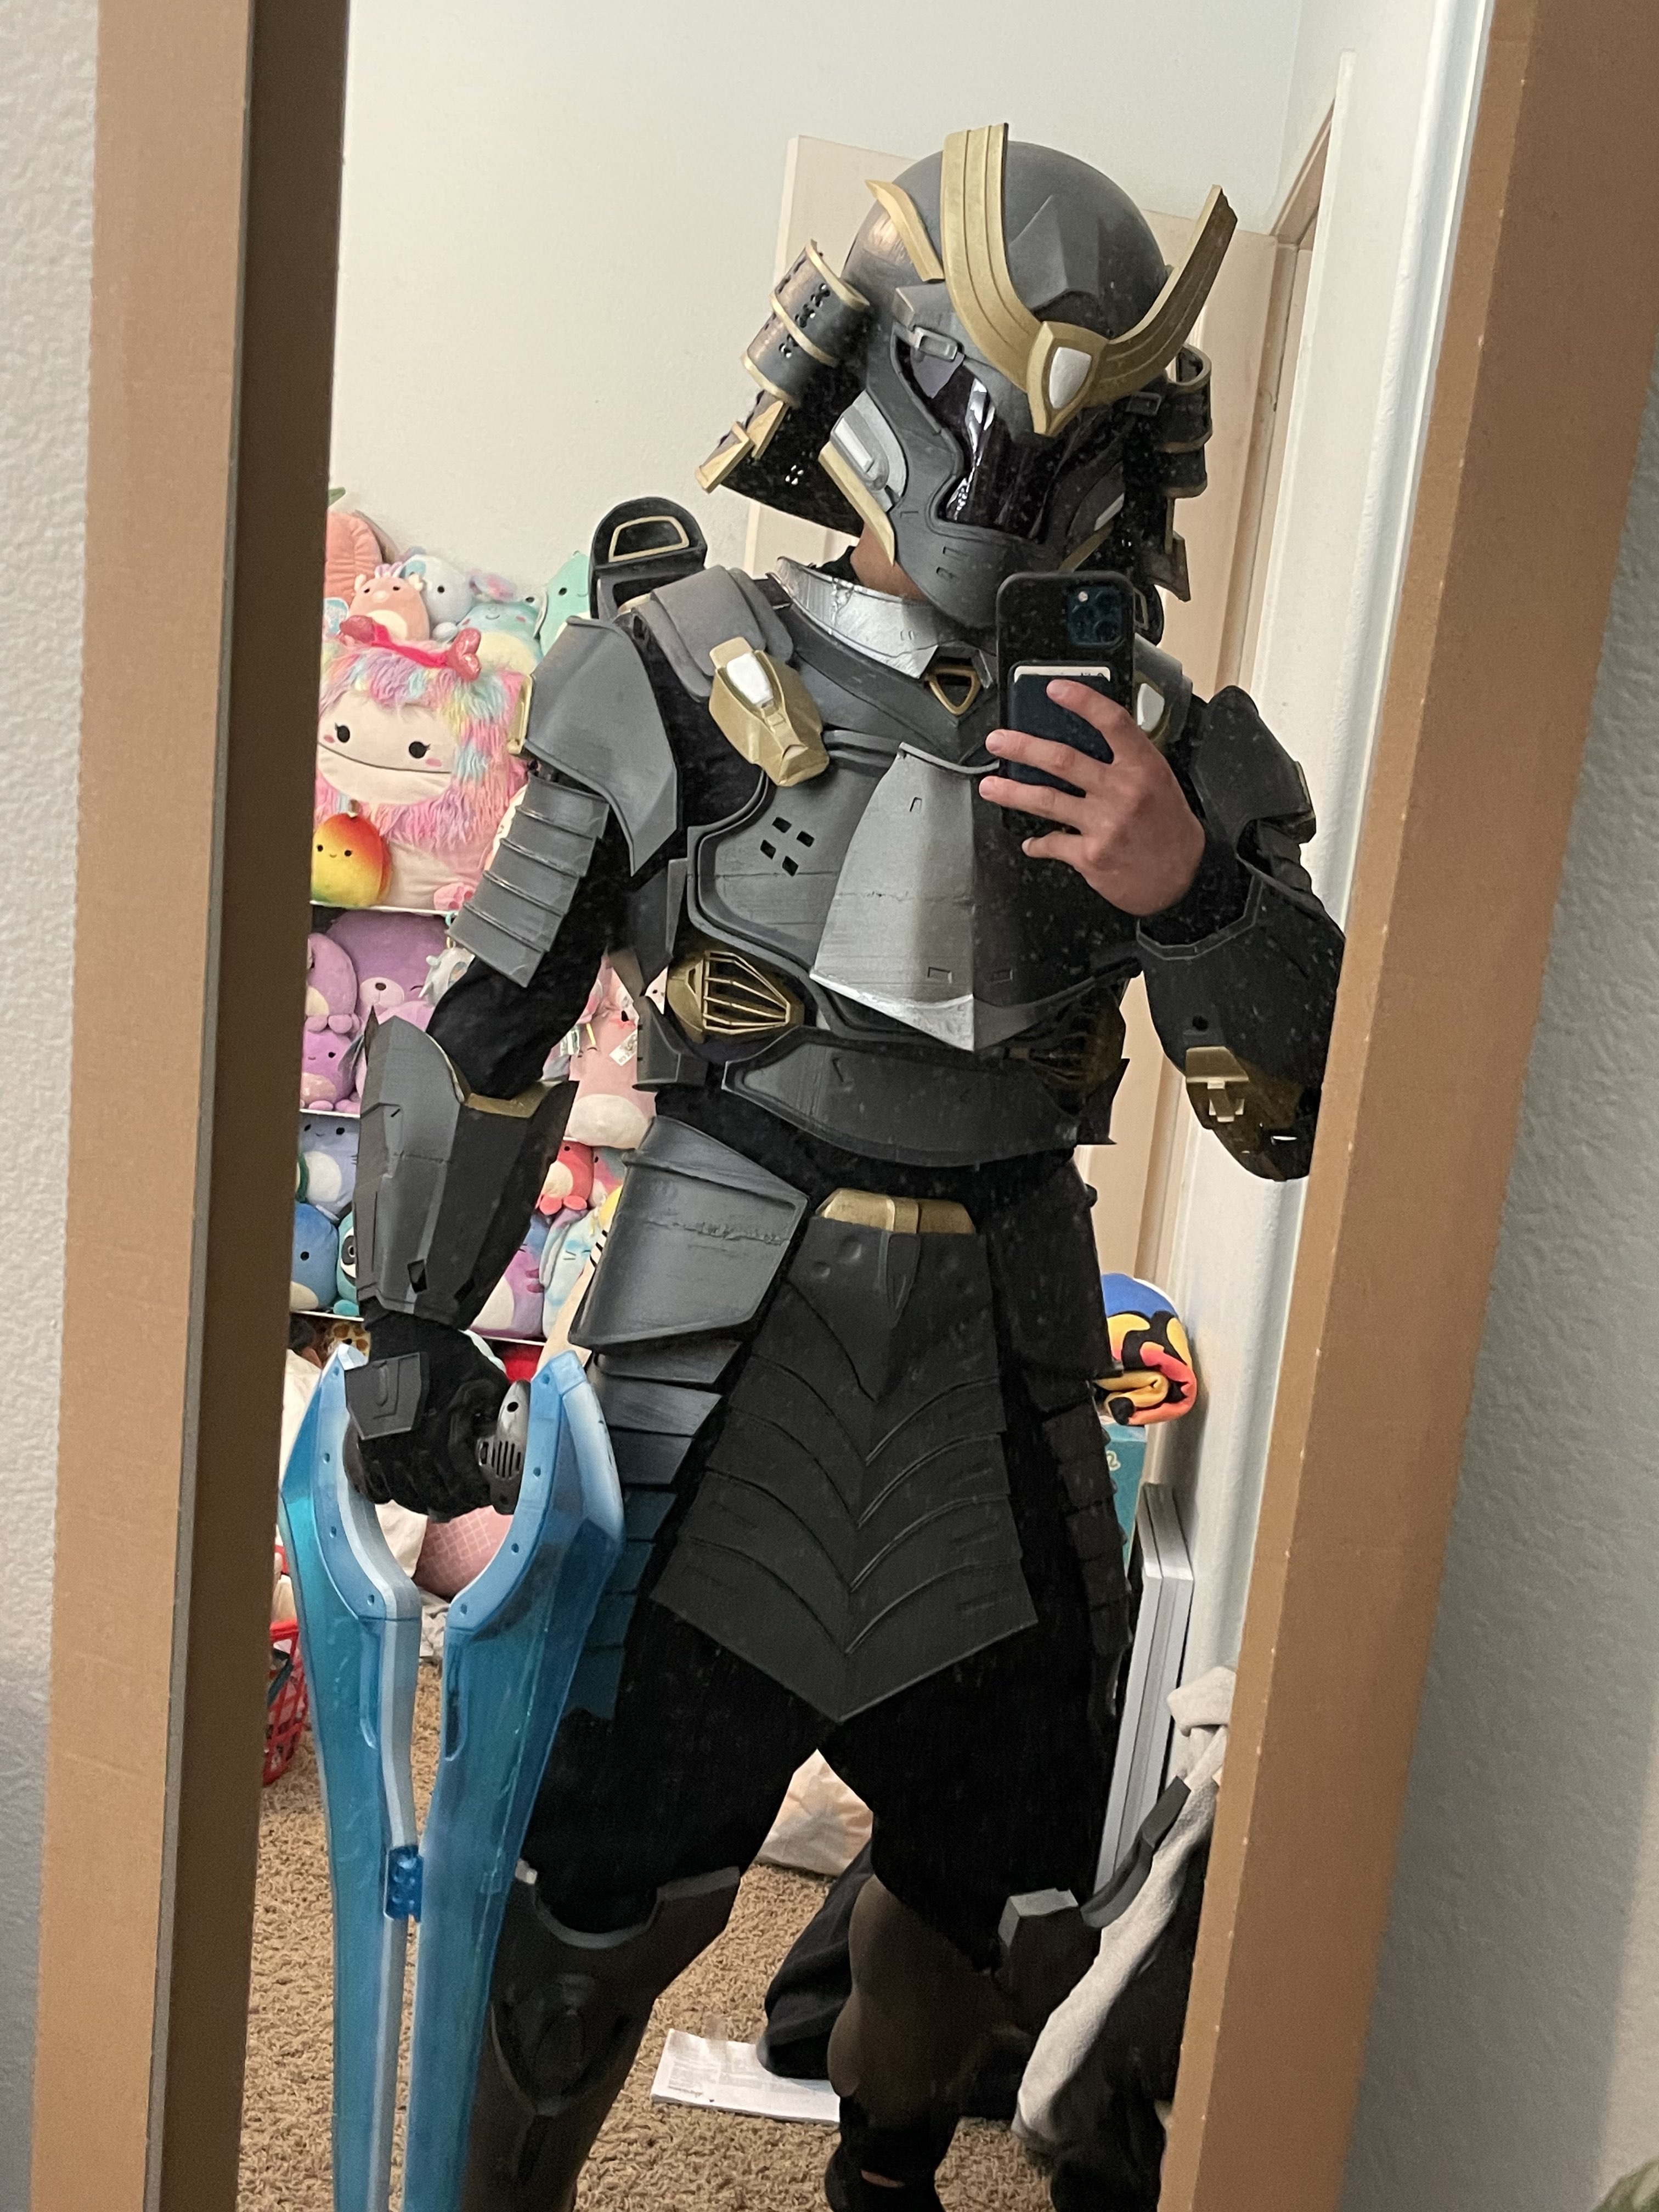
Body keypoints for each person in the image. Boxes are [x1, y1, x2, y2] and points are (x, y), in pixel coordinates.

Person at [343, 126, 1344, 2212]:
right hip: (706, 1366)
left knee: (991, 1893)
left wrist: (1187, 889)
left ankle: (888, 2181)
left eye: (1069, 434)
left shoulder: (1164, 739)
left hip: (1011, 1376)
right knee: (589, 1893)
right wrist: (415, 1331)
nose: (1012, 474)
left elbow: (1303, 1110)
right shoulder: (662, 665)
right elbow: (492, 1027)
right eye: (982, 411)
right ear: (875, 381)